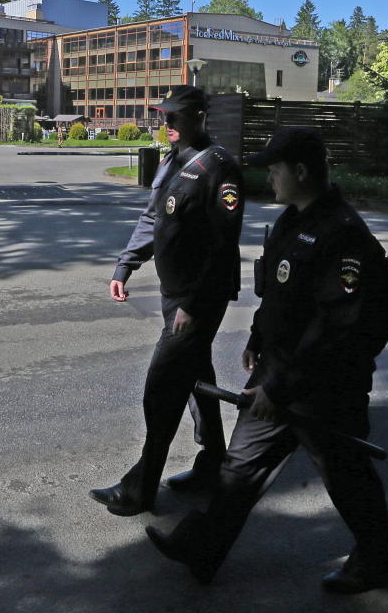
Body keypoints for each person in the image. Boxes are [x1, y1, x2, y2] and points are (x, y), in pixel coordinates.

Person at [145, 127, 388, 594]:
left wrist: (279, 388)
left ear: (301, 171)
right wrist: (257, 341)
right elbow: (282, 297)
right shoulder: (292, 222)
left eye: (276, 169)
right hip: (278, 372)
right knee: (240, 466)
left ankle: (374, 562)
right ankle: (201, 549)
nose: (270, 179)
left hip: (324, 387)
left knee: (346, 475)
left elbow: (335, 332)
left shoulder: (341, 236)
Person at [89, 85, 245, 516]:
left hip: (197, 299)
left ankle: (140, 487)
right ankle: (213, 462)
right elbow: (153, 216)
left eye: (174, 117)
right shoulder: (171, 160)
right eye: (163, 117)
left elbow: (222, 243)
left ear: (198, 116)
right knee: (195, 373)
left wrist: (192, 305)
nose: (166, 124)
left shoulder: (220, 169)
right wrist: (126, 265)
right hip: (174, 292)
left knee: (162, 388)